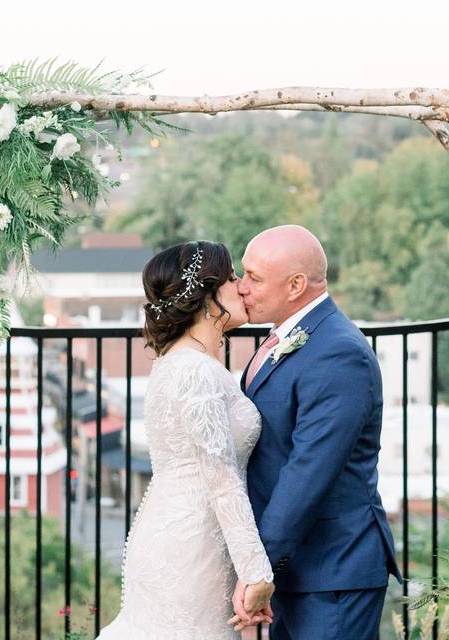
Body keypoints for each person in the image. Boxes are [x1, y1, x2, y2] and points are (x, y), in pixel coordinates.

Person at [96, 240, 274, 640]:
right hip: (190, 548)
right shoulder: (194, 371)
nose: (242, 285)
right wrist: (257, 572)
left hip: (184, 532)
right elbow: (221, 476)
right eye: (232, 278)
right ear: (208, 297)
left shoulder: (179, 362)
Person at [233, 225, 402, 639]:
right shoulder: (283, 339)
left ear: (296, 285)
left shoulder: (338, 352)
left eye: (253, 277)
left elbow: (308, 472)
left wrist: (261, 566)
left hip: (333, 571)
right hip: (298, 569)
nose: (240, 287)